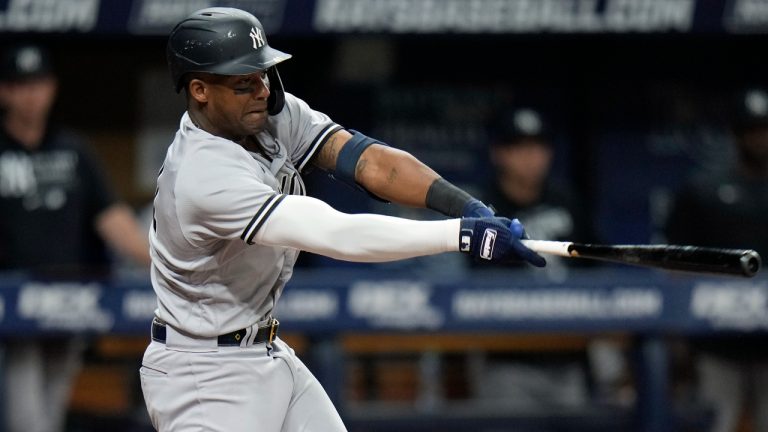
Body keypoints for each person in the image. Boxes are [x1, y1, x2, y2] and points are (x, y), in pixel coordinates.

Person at [139, 7, 546, 432]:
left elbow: (370, 162)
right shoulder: (202, 172)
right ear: (200, 90)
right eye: (244, 82)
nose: (262, 90)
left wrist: (468, 207)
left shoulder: (270, 116)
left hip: (263, 350)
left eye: (263, 74)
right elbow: (337, 233)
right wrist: (461, 235)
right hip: (204, 374)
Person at [0, 43, 151, 432]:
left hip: (69, 297)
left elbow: (112, 217)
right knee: (25, 418)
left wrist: (164, 263)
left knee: (49, 414)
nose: (31, 96)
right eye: (20, 86)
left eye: (38, 85)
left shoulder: (73, 149)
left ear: (51, 88)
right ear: (5, 92)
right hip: (11, 304)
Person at [665, 87, 768, 432]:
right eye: (752, 129)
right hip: (716, 339)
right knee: (717, 423)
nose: (761, 138)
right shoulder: (704, 189)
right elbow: (676, 263)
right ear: (736, 134)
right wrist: (682, 343)